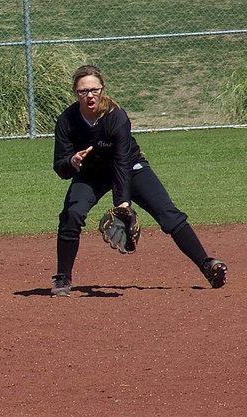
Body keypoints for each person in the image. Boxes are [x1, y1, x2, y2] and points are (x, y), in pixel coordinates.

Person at [50, 64, 227, 297]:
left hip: (131, 168)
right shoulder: (67, 120)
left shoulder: (116, 116)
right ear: (76, 93)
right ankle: (63, 279)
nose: (90, 95)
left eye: (95, 89)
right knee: (72, 214)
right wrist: (72, 161)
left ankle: (207, 264)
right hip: (91, 175)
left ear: (103, 89)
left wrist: (123, 203)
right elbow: (60, 167)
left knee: (168, 214)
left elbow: (121, 162)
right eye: (84, 91)